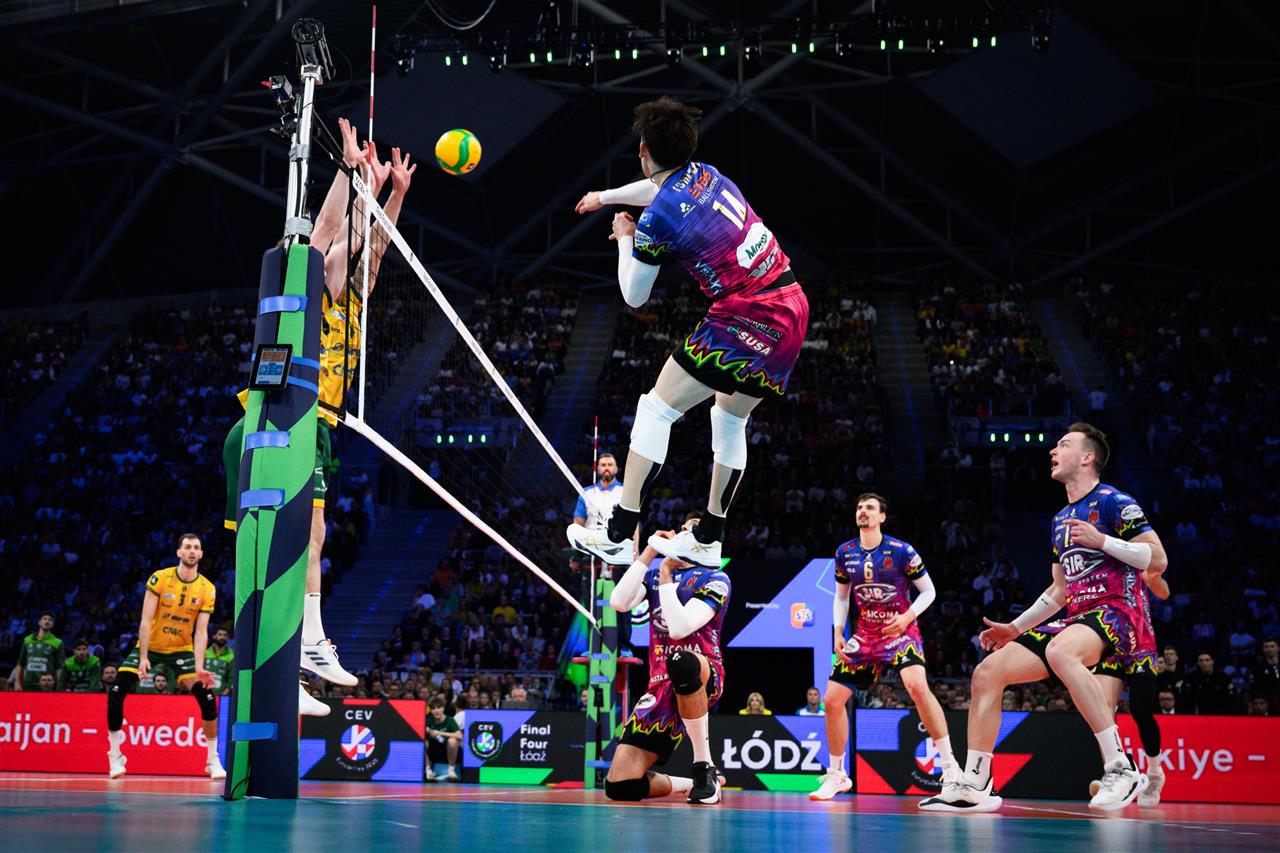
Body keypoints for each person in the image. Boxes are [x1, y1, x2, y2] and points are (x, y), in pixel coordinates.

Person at [222, 119, 416, 710]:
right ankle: (301, 646)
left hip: (312, 422)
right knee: (292, 537)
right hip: (286, 418)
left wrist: (392, 195)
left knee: (305, 535)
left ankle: (287, 668)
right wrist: (349, 170)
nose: (347, 261)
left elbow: (372, 248)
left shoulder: (351, 302)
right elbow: (337, 233)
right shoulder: (309, 287)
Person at [567, 97, 809, 569]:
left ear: (642, 149)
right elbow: (659, 187)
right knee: (730, 418)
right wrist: (607, 196)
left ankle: (618, 534)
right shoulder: (707, 173)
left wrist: (624, 238)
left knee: (656, 408)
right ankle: (709, 537)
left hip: (747, 312)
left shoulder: (657, 220)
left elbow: (634, 295)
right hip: (791, 303)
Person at [921, 423, 1169, 813]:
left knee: (1061, 652)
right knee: (987, 673)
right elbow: (1059, 590)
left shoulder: (1114, 501)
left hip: (1118, 612)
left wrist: (1102, 540)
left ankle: (1121, 768)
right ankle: (976, 783)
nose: (1053, 451)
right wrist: (1016, 627)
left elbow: (1158, 558)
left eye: (1064, 444)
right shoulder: (1059, 520)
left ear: (1087, 457)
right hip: (1078, 616)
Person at [812, 494, 957, 802]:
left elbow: (929, 592)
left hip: (900, 631)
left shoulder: (902, 551)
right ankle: (837, 775)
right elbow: (842, 597)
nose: (862, 511)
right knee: (832, 700)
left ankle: (951, 768)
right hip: (865, 635)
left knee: (916, 686)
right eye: (859, 507)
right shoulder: (844, 553)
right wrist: (837, 631)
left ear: (882, 517)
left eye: (869, 508)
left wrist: (907, 617)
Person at [604, 515, 731, 805]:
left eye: (693, 531)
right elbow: (619, 602)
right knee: (619, 786)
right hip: (660, 684)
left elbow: (679, 628)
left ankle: (704, 769)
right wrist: (651, 552)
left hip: (703, 672)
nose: (684, 533)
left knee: (680, 661)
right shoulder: (652, 575)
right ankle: (690, 784)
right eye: (683, 529)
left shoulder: (716, 579)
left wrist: (665, 574)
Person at [108, 533, 226, 780]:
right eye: (187, 547)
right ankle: (115, 755)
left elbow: (201, 632)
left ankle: (212, 760)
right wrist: (143, 657)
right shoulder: (160, 578)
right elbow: (145, 620)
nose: (192, 551)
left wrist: (199, 666)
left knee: (206, 697)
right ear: (179, 552)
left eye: (196, 547)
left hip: (180, 649)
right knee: (116, 692)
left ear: (201, 554)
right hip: (150, 646)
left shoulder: (207, 588)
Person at [15, 611, 63, 691]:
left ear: (52, 624)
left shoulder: (57, 642)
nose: (47, 621)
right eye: (44, 619)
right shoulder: (27, 640)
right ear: (39, 622)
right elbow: (20, 663)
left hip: (46, 686)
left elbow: (59, 667)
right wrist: (17, 682)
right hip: (28, 684)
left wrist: (59, 686)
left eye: (50, 620)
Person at [424, 697, 461, 781]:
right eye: (433, 708)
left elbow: (459, 735)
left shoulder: (450, 720)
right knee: (423, 743)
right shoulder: (429, 720)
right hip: (433, 752)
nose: (436, 711)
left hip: (448, 752)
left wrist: (439, 733)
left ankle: (451, 771)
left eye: (439, 707)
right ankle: (428, 770)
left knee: (452, 741)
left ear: (443, 708)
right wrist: (427, 732)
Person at [205, 627, 235, 696]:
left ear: (227, 638)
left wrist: (226, 692)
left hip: (223, 695)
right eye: (220, 634)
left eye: (224, 635)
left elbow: (232, 677)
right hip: (205, 693)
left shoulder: (231, 655)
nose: (222, 637)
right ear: (214, 636)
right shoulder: (206, 653)